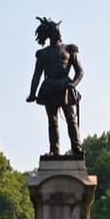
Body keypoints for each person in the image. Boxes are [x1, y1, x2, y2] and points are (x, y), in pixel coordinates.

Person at [26, 16, 84, 157]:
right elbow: (37, 75)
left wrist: (74, 83)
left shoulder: (70, 50)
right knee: (52, 121)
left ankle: (76, 147)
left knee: (71, 119)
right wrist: (32, 93)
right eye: (56, 30)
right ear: (50, 33)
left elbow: (80, 71)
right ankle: (54, 150)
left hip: (65, 86)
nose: (59, 32)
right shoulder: (43, 54)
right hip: (50, 88)